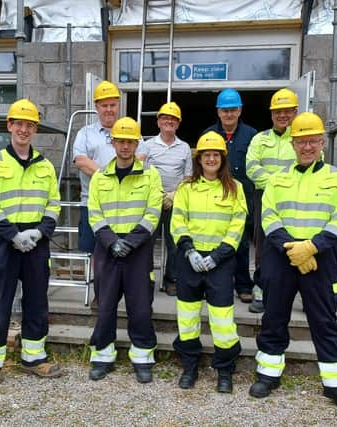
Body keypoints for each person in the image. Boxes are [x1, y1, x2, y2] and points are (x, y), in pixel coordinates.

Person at [248, 112, 337, 412]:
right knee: (274, 316)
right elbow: (269, 216)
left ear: (322, 142)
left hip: (320, 259)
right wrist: (292, 248)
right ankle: (268, 375)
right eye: (301, 141)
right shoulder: (278, 179)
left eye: (312, 141)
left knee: (324, 320)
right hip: (281, 258)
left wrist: (310, 247)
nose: (307, 147)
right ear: (293, 144)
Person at [0, 99, 62, 393]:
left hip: (36, 244)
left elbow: (53, 204)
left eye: (30, 125)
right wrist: (14, 235)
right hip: (3, 242)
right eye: (19, 124)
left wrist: (39, 234)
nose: (24, 130)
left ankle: (34, 357)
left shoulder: (46, 166)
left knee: (37, 301)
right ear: (10, 126)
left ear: (35, 129)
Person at [87, 117, 163, 384]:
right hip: (107, 249)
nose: (125, 146)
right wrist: (111, 241)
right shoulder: (99, 176)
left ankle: (142, 357)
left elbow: (153, 213)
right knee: (105, 305)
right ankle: (102, 356)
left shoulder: (151, 175)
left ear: (136, 143)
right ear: (113, 142)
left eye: (131, 141)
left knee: (140, 306)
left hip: (137, 250)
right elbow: (94, 212)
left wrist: (130, 242)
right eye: (121, 141)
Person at [171, 131, 248, 393]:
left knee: (223, 321)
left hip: (221, 263)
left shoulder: (235, 188)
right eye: (207, 155)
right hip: (190, 261)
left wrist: (217, 256)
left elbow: (238, 226)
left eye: (216, 154)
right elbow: (178, 222)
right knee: (188, 318)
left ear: (222, 158)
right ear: (199, 158)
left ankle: (224, 371)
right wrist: (190, 251)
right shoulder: (186, 188)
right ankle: (190, 366)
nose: (211, 159)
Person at [245, 88, 298, 313]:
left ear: (295, 112)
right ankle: (261, 289)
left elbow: (312, 164)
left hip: (295, 199)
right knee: (263, 244)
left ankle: (290, 291)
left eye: (287, 111)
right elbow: (252, 166)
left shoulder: (301, 139)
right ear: (271, 114)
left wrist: (287, 187)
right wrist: (276, 185)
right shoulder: (260, 139)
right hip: (265, 198)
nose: (282, 115)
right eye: (278, 112)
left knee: (293, 242)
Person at [203, 88, 256, 303]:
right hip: (215, 196)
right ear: (218, 112)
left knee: (241, 242)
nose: (229, 114)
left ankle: (243, 285)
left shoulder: (252, 135)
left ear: (240, 110)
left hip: (242, 196)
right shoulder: (209, 135)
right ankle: (212, 283)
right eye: (224, 110)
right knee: (215, 240)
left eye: (233, 110)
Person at [143, 101, 192, 296]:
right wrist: (158, 195)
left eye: (173, 119)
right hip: (153, 201)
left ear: (178, 124)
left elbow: (188, 177)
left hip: (175, 200)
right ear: (158, 122)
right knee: (147, 241)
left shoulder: (185, 148)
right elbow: (143, 175)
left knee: (174, 244)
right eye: (165, 118)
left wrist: (173, 195)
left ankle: (171, 280)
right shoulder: (147, 146)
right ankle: (147, 277)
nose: (169, 121)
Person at [73, 80, 122, 256]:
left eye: (113, 105)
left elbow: (140, 157)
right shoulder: (85, 133)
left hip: (123, 207)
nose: (109, 109)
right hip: (93, 205)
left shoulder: (130, 131)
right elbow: (81, 161)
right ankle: (98, 285)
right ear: (97, 107)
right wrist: (110, 178)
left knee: (122, 250)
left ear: (119, 105)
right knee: (94, 252)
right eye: (104, 105)